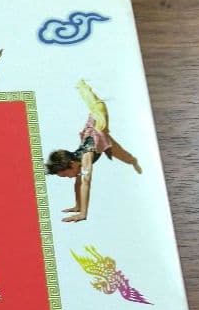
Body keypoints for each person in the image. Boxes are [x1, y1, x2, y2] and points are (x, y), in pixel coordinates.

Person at [45, 80, 141, 222]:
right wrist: (77, 206)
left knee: (97, 108)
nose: (69, 177)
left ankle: (86, 88)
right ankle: (133, 161)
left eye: (65, 175)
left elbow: (85, 184)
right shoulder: (76, 162)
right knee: (126, 157)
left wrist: (83, 214)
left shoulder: (85, 158)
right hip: (96, 134)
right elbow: (77, 184)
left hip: (99, 120)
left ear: (72, 165)